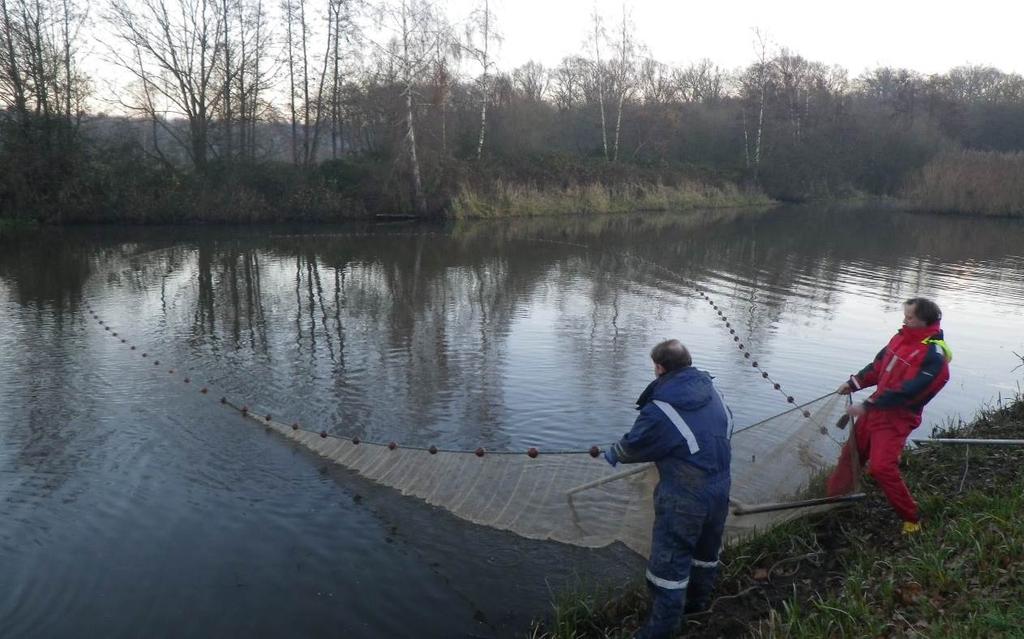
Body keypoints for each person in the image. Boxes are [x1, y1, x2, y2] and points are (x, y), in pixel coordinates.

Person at [604, 339, 733, 639]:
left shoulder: (661, 408)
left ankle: (661, 630)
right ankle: (698, 606)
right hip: (720, 487)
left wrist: (613, 453)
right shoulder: (716, 392)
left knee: (668, 567)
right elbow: (721, 431)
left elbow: (631, 448)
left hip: (685, 497)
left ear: (660, 368)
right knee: (706, 552)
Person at [827, 297, 952, 535]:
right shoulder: (900, 338)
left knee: (882, 467)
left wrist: (870, 405)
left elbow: (911, 392)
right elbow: (877, 367)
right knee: (850, 455)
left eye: (909, 317)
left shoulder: (935, 357)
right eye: (905, 315)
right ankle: (834, 502)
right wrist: (853, 383)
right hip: (874, 411)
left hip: (896, 419)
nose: (904, 320)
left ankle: (912, 519)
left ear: (924, 321)